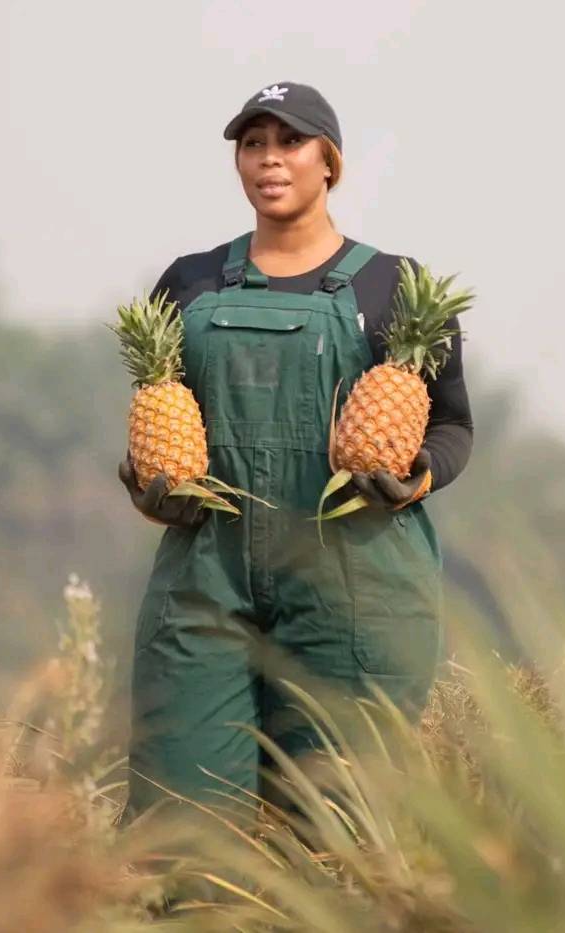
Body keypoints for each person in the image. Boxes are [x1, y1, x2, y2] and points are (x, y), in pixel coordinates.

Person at [117, 81, 474, 822]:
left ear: (329, 162)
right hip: (204, 578)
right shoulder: (188, 282)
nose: (269, 160)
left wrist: (414, 479)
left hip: (352, 583)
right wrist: (144, 485)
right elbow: (155, 423)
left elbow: (453, 426)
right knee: (181, 819)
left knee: (330, 826)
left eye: (290, 142)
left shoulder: (392, 286)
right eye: (253, 144)